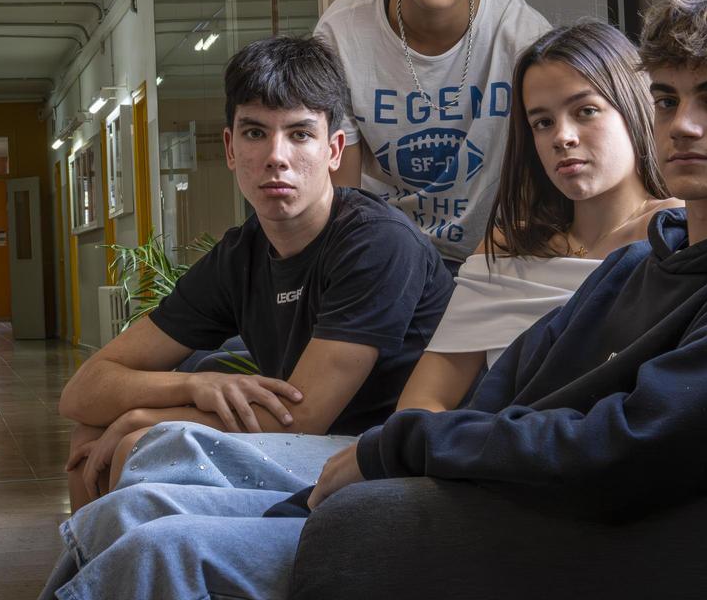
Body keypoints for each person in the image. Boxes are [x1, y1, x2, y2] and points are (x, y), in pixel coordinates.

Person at [41, 0, 707, 600]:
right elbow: (512, 386)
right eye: (668, 98)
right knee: (124, 517)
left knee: (159, 548)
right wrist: (395, 455)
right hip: (450, 485)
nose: (682, 125)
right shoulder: (658, 258)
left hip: (499, 522)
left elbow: (621, 451)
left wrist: (398, 451)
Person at [56, 35, 454, 513]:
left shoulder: (377, 242)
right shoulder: (240, 254)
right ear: (230, 147)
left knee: (141, 444)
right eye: (254, 133)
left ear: (334, 149)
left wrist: (142, 417)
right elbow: (82, 392)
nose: (276, 156)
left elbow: (304, 415)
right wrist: (191, 386)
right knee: (90, 437)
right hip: (302, 441)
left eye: (300, 134)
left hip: (370, 454)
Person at [397, 20, 678, 413]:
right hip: (484, 457)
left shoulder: (677, 232)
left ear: (634, 108)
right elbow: (423, 402)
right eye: (542, 122)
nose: (562, 137)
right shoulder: (506, 245)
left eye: (586, 111)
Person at [315, 0, 551, 270]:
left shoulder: (520, 32)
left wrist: (505, 252)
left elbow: (544, 163)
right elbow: (341, 189)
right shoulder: (341, 33)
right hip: (385, 255)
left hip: (498, 251)